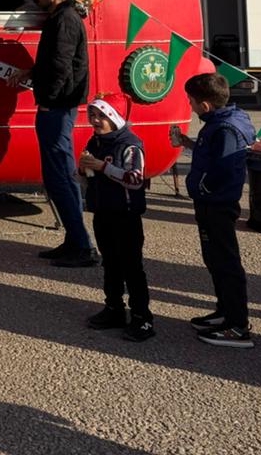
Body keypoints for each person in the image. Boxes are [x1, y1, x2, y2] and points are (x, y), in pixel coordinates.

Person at [11, 0, 95, 266]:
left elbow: (61, 64)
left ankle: (82, 247)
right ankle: (74, 239)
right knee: (56, 174)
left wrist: (50, 99)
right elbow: (52, 61)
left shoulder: (65, 19)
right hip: (57, 104)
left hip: (57, 107)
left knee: (60, 174)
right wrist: (31, 72)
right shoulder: (61, 17)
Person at [170, 72, 255, 348]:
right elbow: (212, 153)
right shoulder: (222, 122)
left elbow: (223, 167)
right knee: (214, 259)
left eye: (191, 101)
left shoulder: (225, 128)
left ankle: (237, 326)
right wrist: (188, 143)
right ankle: (225, 311)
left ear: (204, 105)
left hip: (216, 203)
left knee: (225, 262)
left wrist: (202, 188)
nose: (190, 105)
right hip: (211, 201)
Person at [77, 97, 153, 341]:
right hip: (103, 211)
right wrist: (83, 170)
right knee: (110, 263)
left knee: (132, 266)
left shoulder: (129, 145)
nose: (95, 120)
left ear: (114, 117)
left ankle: (142, 317)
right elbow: (88, 178)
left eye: (101, 116)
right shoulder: (95, 142)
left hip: (125, 215)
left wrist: (102, 167)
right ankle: (114, 308)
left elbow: (135, 180)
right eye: (92, 115)